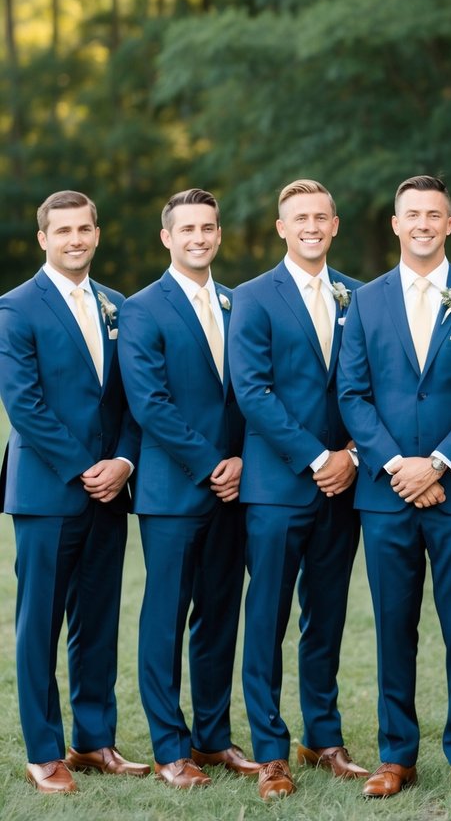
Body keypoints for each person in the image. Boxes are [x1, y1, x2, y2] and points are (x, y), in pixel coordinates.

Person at [337, 175, 451, 802]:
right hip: (386, 497)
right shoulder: (365, 301)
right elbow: (352, 394)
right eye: (412, 214)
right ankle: (396, 755)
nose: (422, 224)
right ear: (395, 223)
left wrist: (436, 464)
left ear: (450, 223)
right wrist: (395, 467)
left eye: (434, 214)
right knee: (393, 625)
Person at [0, 190, 147, 794]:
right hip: (48, 491)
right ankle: (43, 750)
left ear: (97, 233)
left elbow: (136, 397)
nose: (76, 239)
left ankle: (93, 741)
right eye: (63, 231)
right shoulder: (15, 307)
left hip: (111, 490)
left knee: (98, 620)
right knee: (41, 622)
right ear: (44, 239)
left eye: (85, 229)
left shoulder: (117, 305)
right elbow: (25, 404)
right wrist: (87, 467)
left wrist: (124, 462)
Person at [228, 179, 366, 801]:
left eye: (320, 216)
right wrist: (317, 457)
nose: (311, 225)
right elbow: (253, 392)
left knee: (327, 615)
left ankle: (324, 737)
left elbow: (374, 388)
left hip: (345, 485)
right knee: (268, 617)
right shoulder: (254, 298)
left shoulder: (359, 296)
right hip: (278, 488)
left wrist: (353, 456)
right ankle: (270, 751)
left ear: (334, 225)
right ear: (280, 227)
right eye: (298, 218)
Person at [118, 188, 254, 789]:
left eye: (208, 227)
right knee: (166, 617)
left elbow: (248, 392)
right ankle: (170, 748)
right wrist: (212, 464)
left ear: (218, 235)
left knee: (220, 614)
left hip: (234, 490)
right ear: (167, 238)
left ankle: (213, 739)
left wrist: (242, 462)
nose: (199, 237)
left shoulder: (235, 302)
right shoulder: (142, 308)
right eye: (187, 229)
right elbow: (150, 402)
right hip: (174, 490)